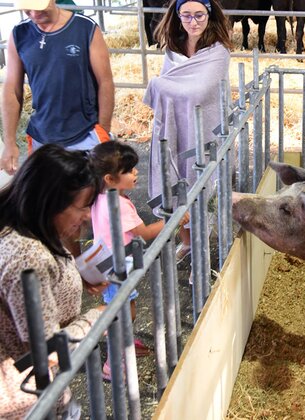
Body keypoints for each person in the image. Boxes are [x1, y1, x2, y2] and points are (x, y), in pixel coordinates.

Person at [0, 145, 105, 419]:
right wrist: (99, 318)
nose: (87, 216)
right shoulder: (27, 259)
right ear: (51, 202)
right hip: (26, 401)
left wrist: (76, 276)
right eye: (83, 206)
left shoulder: (26, 226)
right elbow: (46, 351)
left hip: (41, 392)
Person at [88, 141, 189, 380]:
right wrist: (173, 220)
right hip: (117, 267)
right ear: (110, 179)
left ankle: (124, 341)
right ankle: (112, 365)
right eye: (129, 170)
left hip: (107, 264)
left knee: (125, 308)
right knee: (124, 313)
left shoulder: (100, 197)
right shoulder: (119, 205)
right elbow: (144, 233)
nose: (136, 172)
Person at [144, 0, 232, 259]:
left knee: (200, 182)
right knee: (176, 179)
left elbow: (198, 92)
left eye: (199, 15)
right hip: (175, 125)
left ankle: (200, 253)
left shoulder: (218, 52)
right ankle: (187, 242)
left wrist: (157, 84)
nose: (193, 22)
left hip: (204, 126)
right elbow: (172, 88)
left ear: (209, 14)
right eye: (186, 15)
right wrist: (163, 86)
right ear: (177, 15)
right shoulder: (173, 49)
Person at [1, 0, 114, 175]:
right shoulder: (19, 34)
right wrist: (9, 142)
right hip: (42, 138)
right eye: (27, 9)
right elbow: (12, 90)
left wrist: (103, 132)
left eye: (38, 7)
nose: (34, 13)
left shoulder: (85, 28)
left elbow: (105, 82)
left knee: (90, 190)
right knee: (47, 191)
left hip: (86, 133)